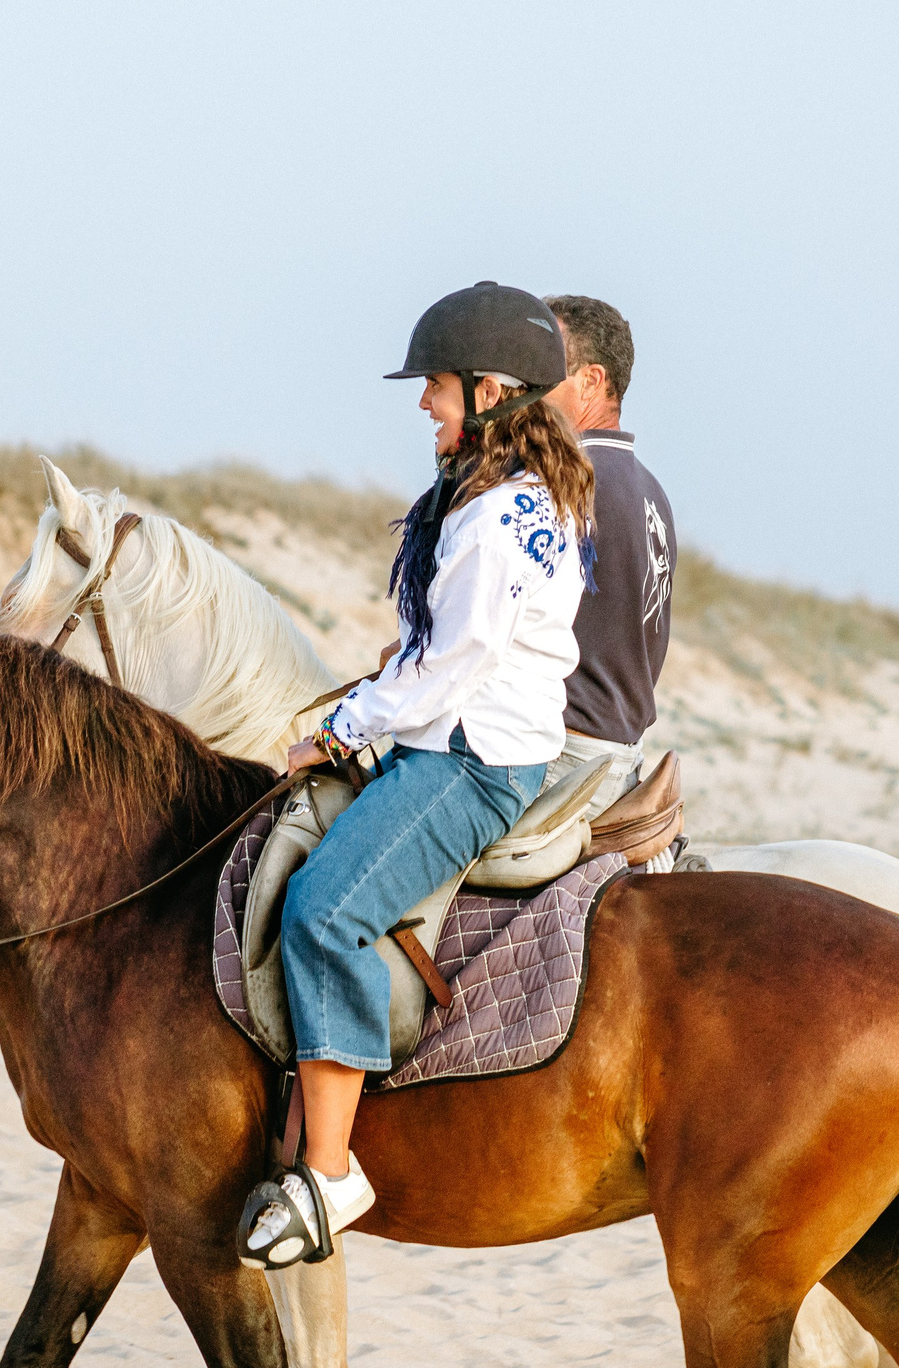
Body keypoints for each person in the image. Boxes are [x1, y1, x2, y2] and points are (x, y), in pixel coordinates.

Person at [238, 281, 595, 1268]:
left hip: (469, 761)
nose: (424, 404)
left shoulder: (489, 517)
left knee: (323, 909)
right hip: (462, 735)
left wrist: (345, 728)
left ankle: (329, 1168)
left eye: (435, 386)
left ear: (487, 390)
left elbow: (449, 665)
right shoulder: (523, 496)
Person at [542, 295, 681, 871]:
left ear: (591, 381)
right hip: (623, 756)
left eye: (542, 369)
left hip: (559, 761)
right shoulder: (652, 492)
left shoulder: (565, 482)